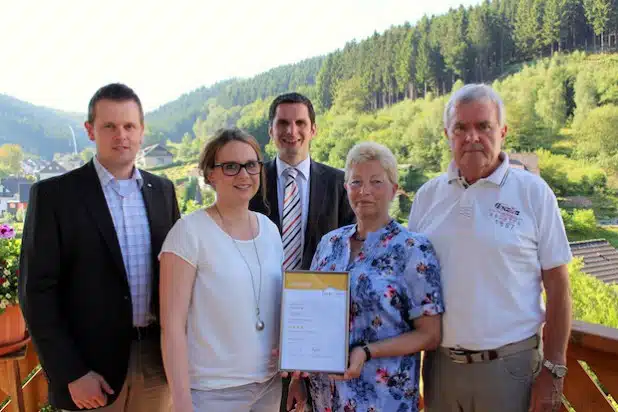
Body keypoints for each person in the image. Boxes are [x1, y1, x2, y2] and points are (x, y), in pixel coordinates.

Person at [408, 83, 573, 412]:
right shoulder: (427, 196)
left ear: (503, 131)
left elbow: (558, 286)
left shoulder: (533, 193)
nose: (472, 137)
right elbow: (411, 282)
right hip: (440, 369)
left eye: (483, 126)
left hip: (511, 369)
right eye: (461, 127)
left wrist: (554, 369)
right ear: (447, 134)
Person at [18, 83, 180, 411]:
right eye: (109, 126)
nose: (121, 135)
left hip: (156, 362)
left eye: (129, 126)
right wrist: (72, 372)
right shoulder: (54, 197)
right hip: (91, 373)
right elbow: (36, 292)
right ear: (90, 130)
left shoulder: (163, 191)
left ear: (141, 131)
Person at [305, 141, 444, 412]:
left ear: (394, 189)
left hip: (383, 400)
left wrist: (367, 351)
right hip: (325, 397)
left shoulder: (413, 249)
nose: (364, 191)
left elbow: (430, 335)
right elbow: (312, 314)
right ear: (346, 188)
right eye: (356, 182)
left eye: (376, 182)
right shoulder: (329, 243)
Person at [159, 128, 284, 412]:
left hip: (269, 385)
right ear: (210, 174)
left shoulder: (270, 231)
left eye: (251, 165)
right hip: (212, 392)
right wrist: (181, 403)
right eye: (230, 166)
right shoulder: (188, 233)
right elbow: (172, 327)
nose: (243, 175)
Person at [249, 92, 355, 411]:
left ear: (313, 130)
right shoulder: (252, 181)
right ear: (271, 130)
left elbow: (354, 250)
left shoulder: (341, 184)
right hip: (259, 322)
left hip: (322, 327)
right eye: (282, 123)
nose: (291, 131)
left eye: (300, 123)